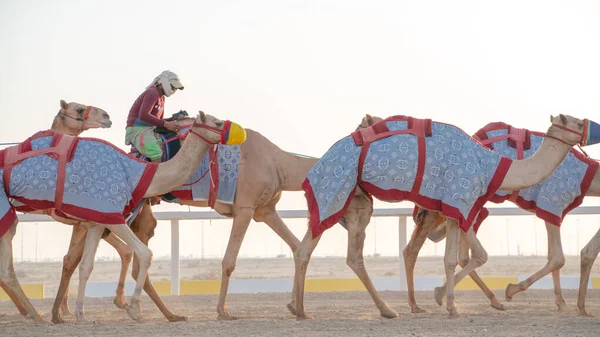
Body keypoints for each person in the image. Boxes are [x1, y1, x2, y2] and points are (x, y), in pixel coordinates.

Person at [125, 70, 185, 161]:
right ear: (164, 82)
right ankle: (157, 175)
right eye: (173, 87)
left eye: (175, 89)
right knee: (156, 152)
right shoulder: (152, 93)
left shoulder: (161, 98)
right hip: (137, 129)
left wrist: (173, 119)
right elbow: (143, 115)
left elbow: (158, 121)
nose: (174, 91)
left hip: (148, 129)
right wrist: (167, 124)